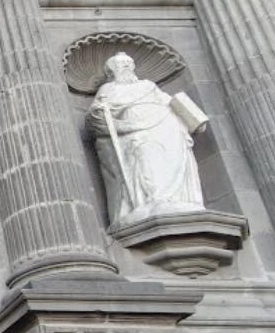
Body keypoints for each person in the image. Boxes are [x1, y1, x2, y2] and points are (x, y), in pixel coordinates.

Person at [85, 52, 204, 228]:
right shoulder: (108, 90)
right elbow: (95, 118)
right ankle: (154, 198)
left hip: (164, 125)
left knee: (171, 152)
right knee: (144, 151)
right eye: (120, 64)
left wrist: (191, 117)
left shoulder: (148, 85)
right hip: (132, 131)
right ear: (111, 70)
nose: (126, 66)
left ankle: (174, 199)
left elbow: (169, 101)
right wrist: (100, 112)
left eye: (128, 62)